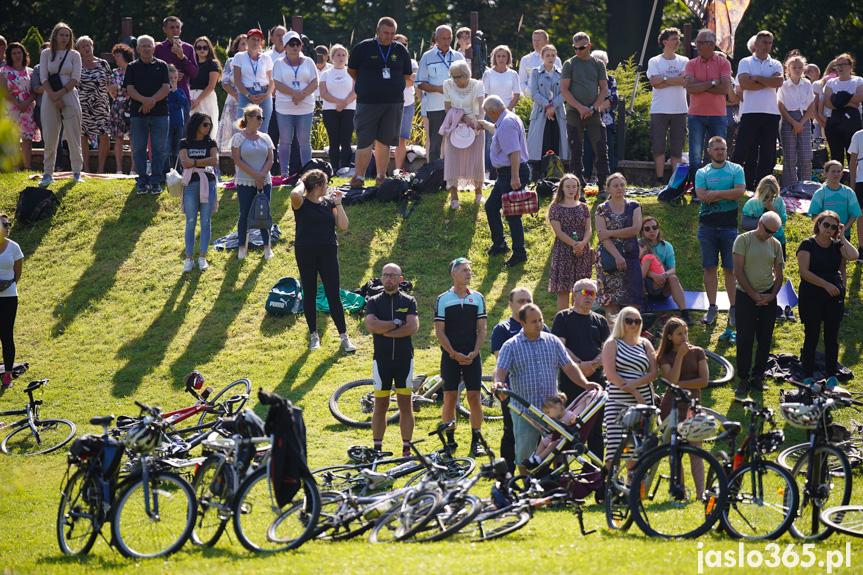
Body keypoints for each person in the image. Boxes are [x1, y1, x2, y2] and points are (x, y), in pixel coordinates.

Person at [492, 303, 599, 473]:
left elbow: (569, 366)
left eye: (540, 320)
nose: (539, 324)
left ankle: (555, 487)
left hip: (552, 411)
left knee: (558, 450)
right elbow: (500, 369)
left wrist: (585, 384)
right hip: (525, 412)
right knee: (524, 455)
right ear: (522, 323)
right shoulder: (510, 345)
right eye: (533, 321)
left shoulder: (553, 341)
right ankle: (526, 488)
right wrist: (498, 382)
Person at [290, 169, 356, 352]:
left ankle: (344, 337)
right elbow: (294, 193)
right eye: (326, 183)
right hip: (305, 252)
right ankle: (314, 336)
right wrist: (304, 182)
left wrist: (339, 203)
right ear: (318, 186)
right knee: (309, 293)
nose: (328, 187)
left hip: (328, 251)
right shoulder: (300, 202)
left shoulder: (329, 204)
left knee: (333, 294)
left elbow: (343, 226)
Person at [347, 17, 413, 187]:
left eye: (393, 34)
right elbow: (352, 70)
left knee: (384, 141)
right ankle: (359, 178)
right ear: (377, 30)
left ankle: (381, 177)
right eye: (386, 33)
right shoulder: (363, 47)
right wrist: (369, 85)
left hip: (393, 103)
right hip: (367, 102)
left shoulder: (401, 50)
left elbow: (406, 75)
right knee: (364, 140)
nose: (389, 36)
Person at [551, 278, 610, 465]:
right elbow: (559, 346)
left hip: (596, 383)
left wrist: (593, 364)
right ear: (574, 295)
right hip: (570, 381)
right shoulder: (563, 317)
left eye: (593, 293)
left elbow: (609, 349)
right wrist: (578, 364)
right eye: (586, 293)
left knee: (596, 431)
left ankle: (597, 477)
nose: (590, 297)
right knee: (565, 429)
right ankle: (561, 477)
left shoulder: (600, 320)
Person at [365, 263, 419, 457]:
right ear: (381, 278)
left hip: (404, 360)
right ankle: (377, 448)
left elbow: (412, 328)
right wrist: (396, 323)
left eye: (392, 276)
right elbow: (371, 325)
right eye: (385, 275)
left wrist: (384, 330)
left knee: (406, 405)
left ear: (400, 279)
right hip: (382, 360)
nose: (388, 279)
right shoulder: (373, 300)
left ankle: (406, 449)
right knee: (381, 405)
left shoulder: (409, 300)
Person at [434, 257, 487, 455]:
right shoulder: (443, 299)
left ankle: (476, 441)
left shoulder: (478, 298)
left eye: (469, 270)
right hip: (450, 356)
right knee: (450, 398)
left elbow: (482, 329)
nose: (469, 273)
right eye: (464, 270)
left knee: (474, 397)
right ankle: (450, 443)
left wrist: (474, 352)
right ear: (453, 274)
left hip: (473, 354)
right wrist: (454, 354)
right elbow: (440, 331)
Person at [797, 211, 858, 380]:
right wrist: (825, 285)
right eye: (826, 224)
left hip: (834, 295)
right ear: (818, 223)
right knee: (812, 335)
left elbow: (854, 256)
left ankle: (832, 373)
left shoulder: (837, 245)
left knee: (831, 336)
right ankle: (807, 373)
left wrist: (843, 237)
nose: (828, 229)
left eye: (833, 227)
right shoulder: (807, 244)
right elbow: (804, 272)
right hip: (812, 293)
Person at [491, 287, 547, 471]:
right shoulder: (502, 329)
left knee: (543, 435)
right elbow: (502, 362)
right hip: (513, 392)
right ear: (510, 305)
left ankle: (539, 474)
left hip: (541, 393)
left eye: (528, 300)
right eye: (520, 301)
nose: (525, 304)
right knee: (511, 434)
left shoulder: (542, 327)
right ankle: (507, 476)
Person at [655, 317, 709, 497]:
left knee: (696, 449)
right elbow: (671, 380)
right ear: (669, 337)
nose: (684, 336)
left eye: (685, 332)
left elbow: (704, 381)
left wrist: (680, 385)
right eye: (679, 334)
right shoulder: (665, 356)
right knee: (676, 450)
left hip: (693, 407)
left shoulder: (698, 352)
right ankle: (680, 491)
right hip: (671, 407)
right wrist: (679, 356)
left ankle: (701, 494)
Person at [732, 211, 784, 396]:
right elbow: (737, 270)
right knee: (745, 338)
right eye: (768, 230)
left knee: (765, 338)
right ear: (759, 223)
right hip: (746, 296)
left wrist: (771, 296)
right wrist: (753, 294)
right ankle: (744, 378)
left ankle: (758, 377)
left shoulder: (776, 244)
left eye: (773, 232)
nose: (769, 234)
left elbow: (779, 274)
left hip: (768, 296)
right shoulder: (743, 240)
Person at [695, 136, 745, 326]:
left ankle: (733, 309)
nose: (720, 152)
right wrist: (727, 194)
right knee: (710, 267)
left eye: (723, 149)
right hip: (706, 226)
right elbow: (701, 195)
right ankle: (712, 307)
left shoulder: (736, 169)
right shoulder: (702, 172)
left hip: (729, 227)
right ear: (709, 151)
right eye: (716, 149)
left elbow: (740, 192)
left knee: (730, 269)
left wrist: (715, 193)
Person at [601, 306, 658, 464]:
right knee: (614, 447)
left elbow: (654, 373)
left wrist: (636, 383)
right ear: (621, 322)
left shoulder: (645, 344)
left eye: (637, 321)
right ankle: (611, 486)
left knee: (636, 450)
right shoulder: (612, 344)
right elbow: (611, 374)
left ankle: (632, 487)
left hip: (643, 402)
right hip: (618, 401)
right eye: (629, 321)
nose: (633, 324)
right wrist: (635, 392)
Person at [730, 31, 783, 189]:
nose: (768, 46)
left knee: (768, 152)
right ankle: (735, 183)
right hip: (750, 112)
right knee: (742, 149)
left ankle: (761, 187)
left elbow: (779, 82)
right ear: (756, 44)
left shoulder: (776, 63)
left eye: (770, 43)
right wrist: (768, 80)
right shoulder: (745, 62)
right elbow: (745, 85)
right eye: (765, 42)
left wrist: (757, 77)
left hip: (771, 114)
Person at [561, 32, 609, 197]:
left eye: (581, 48)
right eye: (574, 48)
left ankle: (603, 185)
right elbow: (564, 90)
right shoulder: (569, 64)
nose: (577, 51)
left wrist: (593, 108)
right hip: (575, 112)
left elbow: (603, 88)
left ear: (588, 46)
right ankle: (577, 188)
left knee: (601, 148)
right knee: (576, 150)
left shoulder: (598, 64)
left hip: (593, 113)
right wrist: (580, 108)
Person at [483, 95, 530, 266]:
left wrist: (515, 177)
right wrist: (483, 124)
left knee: (512, 214)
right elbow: (496, 129)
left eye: (487, 114)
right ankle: (500, 244)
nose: (488, 116)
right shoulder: (508, 118)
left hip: (511, 173)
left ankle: (520, 252)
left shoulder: (507, 124)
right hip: (506, 174)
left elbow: (514, 152)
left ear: (492, 111)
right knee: (491, 207)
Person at [39, 22, 84, 187]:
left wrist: (60, 94)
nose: (65, 38)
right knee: (50, 136)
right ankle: (48, 173)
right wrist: (53, 96)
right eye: (62, 35)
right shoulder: (46, 54)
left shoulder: (74, 55)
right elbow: (43, 77)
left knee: (73, 135)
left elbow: (75, 78)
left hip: (69, 96)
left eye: (67, 35)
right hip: (49, 97)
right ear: (55, 36)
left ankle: (77, 172)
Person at [124, 35, 170, 194]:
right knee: (138, 148)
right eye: (142, 46)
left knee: (159, 149)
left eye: (149, 46)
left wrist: (150, 102)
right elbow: (130, 89)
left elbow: (166, 88)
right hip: (138, 114)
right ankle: (142, 180)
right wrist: (144, 101)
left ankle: (156, 180)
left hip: (160, 114)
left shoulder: (162, 66)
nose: (146, 49)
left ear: (154, 48)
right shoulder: (131, 67)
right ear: (137, 49)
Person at [684, 29, 732, 180]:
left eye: (700, 43)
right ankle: (696, 188)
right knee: (695, 154)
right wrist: (713, 83)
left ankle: (716, 183)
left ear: (712, 44)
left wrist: (700, 85)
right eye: (696, 42)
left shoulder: (724, 63)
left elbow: (724, 89)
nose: (696, 45)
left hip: (718, 115)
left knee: (717, 152)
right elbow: (690, 88)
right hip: (695, 115)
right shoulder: (691, 64)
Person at [595, 173, 643, 320]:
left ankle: (630, 334)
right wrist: (617, 256)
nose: (619, 188)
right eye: (615, 186)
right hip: (609, 257)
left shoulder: (634, 206)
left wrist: (610, 232)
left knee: (633, 297)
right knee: (612, 300)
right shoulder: (601, 209)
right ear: (608, 189)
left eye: (622, 185)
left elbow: (635, 230)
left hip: (631, 256)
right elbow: (602, 237)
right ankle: (613, 338)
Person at [231, 105, 275, 261]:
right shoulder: (238, 138)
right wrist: (256, 175)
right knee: (244, 214)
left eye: (261, 117)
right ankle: (242, 247)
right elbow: (237, 160)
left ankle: (267, 247)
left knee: (264, 213)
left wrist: (261, 177)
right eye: (258, 117)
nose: (260, 120)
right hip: (245, 182)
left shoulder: (266, 137)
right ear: (248, 118)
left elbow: (271, 159)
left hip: (265, 182)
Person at [416, 25, 465, 164]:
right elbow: (420, 83)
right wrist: (439, 89)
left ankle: (454, 175)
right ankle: (434, 175)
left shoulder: (458, 56)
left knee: (457, 141)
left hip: (456, 106)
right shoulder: (427, 56)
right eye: (443, 38)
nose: (446, 41)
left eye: (449, 38)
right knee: (435, 144)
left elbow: (467, 80)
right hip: (435, 107)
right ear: (436, 39)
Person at [808, 160, 862, 285]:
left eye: (839, 171)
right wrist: (825, 229)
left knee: (842, 266)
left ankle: (841, 293)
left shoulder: (848, 192)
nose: (836, 174)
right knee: (825, 266)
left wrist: (843, 230)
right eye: (833, 171)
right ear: (825, 173)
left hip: (842, 236)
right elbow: (815, 215)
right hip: (824, 236)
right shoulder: (820, 193)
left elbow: (854, 214)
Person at [273, 31, 318, 177]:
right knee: (285, 141)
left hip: (305, 106)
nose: (295, 46)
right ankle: (285, 174)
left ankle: (307, 173)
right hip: (284, 107)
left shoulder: (309, 62)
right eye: (291, 44)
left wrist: (301, 95)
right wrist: (295, 93)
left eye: (297, 43)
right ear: (285, 46)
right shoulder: (279, 63)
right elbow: (278, 84)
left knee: (304, 141)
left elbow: (314, 82)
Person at [441, 60, 485, 209]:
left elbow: (481, 107)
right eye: (453, 77)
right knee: (453, 160)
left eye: (458, 77)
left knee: (476, 160)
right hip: (455, 126)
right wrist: (464, 118)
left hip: (475, 127)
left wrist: (479, 122)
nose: (455, 80)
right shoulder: (447, 84)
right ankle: (454, 199)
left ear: (466, 75)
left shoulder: (477, 85)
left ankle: (479, 194)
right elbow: (448, 108)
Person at [648, 27, 689, 185]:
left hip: (680, 110)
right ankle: (659, 180)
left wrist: (663, 78)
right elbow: (654, 83)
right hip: (659, 110)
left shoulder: (684, 61)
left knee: (677, 148)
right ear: (665, 42)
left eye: (678, 39)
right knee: (658, 146)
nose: (678, 42)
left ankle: (675, 182)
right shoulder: (655, 61)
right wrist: (675, 79)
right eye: (674, 39)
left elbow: (686, 81)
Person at [178, 112, 218, 272]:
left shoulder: (211, 142)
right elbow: (183, 163)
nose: (208, 127)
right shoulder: (184, 142)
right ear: (196, 125)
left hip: (208, 183)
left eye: (209, 124)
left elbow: (213, 164)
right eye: (205, 124)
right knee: (190, 222)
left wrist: (193, 164)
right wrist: (202, 164)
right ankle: (189, 259)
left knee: (206, 222)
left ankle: (202, 257)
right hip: (190, 185)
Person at [547, 174, 592, 311]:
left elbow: (588, 229)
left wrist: (583, 244)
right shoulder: (555, 207)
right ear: (562, 188)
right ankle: (562, 316)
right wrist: (574, 244)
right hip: (563, 249)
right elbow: (558, 232)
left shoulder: (584, 207)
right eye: (568, 187)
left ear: (578, 188)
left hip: (582, 250)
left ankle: (577, 314)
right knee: (564, 287)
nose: (571, 189)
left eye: (574, 186)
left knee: (580, 286)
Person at [639, 216, 691, 324]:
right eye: (647, 229)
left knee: (673, 278)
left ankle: (685, 313)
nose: (652, 231)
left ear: (658, 229)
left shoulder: (667, 246)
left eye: (654, 227)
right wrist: (653, 275)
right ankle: (639, 312)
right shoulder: (638, 245)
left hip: (663, 288)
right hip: (645, 287)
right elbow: (636, 268)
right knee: (638, 278)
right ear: (642, 232)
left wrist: (663, 276)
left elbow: (672, 269)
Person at [527, 45, 569, 171]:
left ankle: (556, 172)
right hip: (541, 112)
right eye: (547, 55)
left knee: (557, 141)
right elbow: (534, 93)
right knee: (542, 143)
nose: (550, 58)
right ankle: (540, 173)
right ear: (542, 57)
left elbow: (565, 92)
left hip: (558, 112)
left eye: (553, 55)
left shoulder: (562, 73)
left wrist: (553, 106)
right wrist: (547, 106)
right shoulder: (535, 72)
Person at [75, 36, 112, 174]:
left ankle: (101, 169)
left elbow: (109, 85)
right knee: (82, 136)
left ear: (93, 46)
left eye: (88, 45)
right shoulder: (76, 64)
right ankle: (86, 168)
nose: (87, 48)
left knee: (104, 135)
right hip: (82, 106)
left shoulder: (103, 64)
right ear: (79, 50)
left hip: (101, 105)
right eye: (83, 46)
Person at [778, 54, 816, 187]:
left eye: (800, 67)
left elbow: (811, 104)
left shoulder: (806, 84)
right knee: (789, 157)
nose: (797, 70)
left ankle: (805, 186)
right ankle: (791, 187)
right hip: (788, 119)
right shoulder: (783, 85)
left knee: (806, 156)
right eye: (794, 67)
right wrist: (794, 123)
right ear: (788, 68)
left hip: (804, 118)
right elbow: (781, 106)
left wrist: (801, 122)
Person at [1, 42, 40, 170]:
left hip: (28, 109)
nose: (18, 56)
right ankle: (14, 167)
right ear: (9, 56)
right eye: (14, 53)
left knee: (27, 139)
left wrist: (26, 103)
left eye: (20, 53)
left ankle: (27, 166)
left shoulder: (31, 71)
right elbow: (4, 91)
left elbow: (35, 91)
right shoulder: (4, 71)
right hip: (10, 109)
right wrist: (17, 103)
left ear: (24, 55)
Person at [320, 44, 357, 175]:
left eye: (343, 55)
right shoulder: (326, 73)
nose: (341, 58)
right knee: (333, 140)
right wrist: (337, 102)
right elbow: (323, 92)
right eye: (338, 55)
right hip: (330, 110)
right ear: (332, 57)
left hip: (349, 110)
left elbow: (355, 91)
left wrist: (344, 103)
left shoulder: (352, 72)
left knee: (346, 140)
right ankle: (334, 168)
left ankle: (345, 168)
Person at [483, 45, 521, 174]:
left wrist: (508, 110)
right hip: (491, 113)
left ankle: (507, 169)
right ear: (494, 57)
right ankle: (488, 171)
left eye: (504, 56)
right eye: (498, 56)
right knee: (489, 141)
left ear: (508, 58)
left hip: (507, 113)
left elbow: (516, 94)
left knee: (508, 142)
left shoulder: (513, 74)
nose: (501, 58)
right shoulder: (488, 73)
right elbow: (485, 94)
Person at [583, 50, 620, 179]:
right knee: (586, 151)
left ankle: (608, 179)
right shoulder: (584, 78)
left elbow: (614, 99)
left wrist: (599, 107)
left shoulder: (610, 79)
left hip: (606, 121)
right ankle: (585, 179)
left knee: (606, 150)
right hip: (587, 120)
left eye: (602, 63)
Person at [233, 29, 274, 143]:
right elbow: (237, 80)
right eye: (253, 39)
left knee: (263, 128)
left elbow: (272, 80)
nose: (255, 42)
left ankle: (261, 156)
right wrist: (248, 95)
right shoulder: (239, 57)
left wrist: (266, 95)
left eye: (258, 40)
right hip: (246, 94)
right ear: (247, 40)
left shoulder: (266, 58)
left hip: (264, 94)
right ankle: (244, 156)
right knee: (244, 126)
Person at [824, 53, 863, 165]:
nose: (840, 67)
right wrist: (850, 102)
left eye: (843, 64)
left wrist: (838, 98)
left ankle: (854, 181)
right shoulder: (831, 82)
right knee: (836, 157)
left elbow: (860, 97)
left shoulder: (858, 80)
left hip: (852, 123)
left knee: (853, 155)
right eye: (838, 65)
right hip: (834, 123)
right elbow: (827, 102)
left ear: (850, 66)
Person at [0, 213, 23, 390]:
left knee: (6, 335)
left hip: (8, 297)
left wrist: (6, 286)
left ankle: (8, 374)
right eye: (5, 224)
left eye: (9, 224)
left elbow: (17, 274)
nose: (8, 227)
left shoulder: (14, 247)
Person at [743, 175, 788, 264]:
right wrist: (763, 223)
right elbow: (744, 223)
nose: (770, 200)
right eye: (766, 196)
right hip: (757, 241)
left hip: (777, 239)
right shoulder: (752, 204)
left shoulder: (779, 202)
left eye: (773, 196)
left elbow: (783, 222)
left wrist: (773, 209)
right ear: (760, 192)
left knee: (777, 265)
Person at [107, 43, 136, 175]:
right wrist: (122, 88)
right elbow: (112, 90)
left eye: (118, 56)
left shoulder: (135, 70)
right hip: (117, 107)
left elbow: (134, 88)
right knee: (118, 139)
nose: (116, 59)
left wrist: (120, 88)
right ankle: (119, 169)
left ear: (125, 55)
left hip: (132, 107)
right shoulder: (114, 73)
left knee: (133, 139)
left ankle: (133, 169)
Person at [153, 16, 198, 101]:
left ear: (181, 29)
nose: (175, 30)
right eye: (172, 27)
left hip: (183, 95)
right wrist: (169, 74)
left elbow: (194, 73)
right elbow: (152, 71)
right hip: (163, 96)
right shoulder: (158, 48)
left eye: (177, 27)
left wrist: (183, 57)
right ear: (164, 29)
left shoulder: (188, 48)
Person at [217, 34, 247, 155]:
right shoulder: (231, 61)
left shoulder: (256, 61)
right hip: (234, 101)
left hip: (251, 100)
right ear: (237, 47)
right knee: (235, 129)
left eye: (247, 43)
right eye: (243, 44)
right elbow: (225, 82)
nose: (245, 47)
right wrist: (236, 95)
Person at [393, 34, 418, 174]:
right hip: (391, 104)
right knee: (384, 139)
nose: (403, 46)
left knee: (402, 140)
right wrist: (405, 80)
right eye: (400, 44)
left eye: (405, 44)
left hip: (408, 105)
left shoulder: (412, 62)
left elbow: (414, 78)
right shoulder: (389, 60)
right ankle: (381, 172)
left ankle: (397, 171)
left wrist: (398, 80)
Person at [189, 36, 221, 144]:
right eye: (199, 47)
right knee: (192, 126)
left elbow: (211, 86)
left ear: (209, 49)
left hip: (206, 97)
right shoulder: (191, 64)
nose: (202, 50)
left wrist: (197, 100)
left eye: (205, 47)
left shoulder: (213, 64)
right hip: (191, 97)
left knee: (207, 125)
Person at [165, 65, 190, 184]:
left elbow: (185, 103)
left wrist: (176, 94)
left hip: (179, 124)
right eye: (170, 78)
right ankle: (164, 171)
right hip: (168, 124)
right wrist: (176, 105)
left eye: (175, 78)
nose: (173, 80)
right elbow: (167, 107)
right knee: (167, 148)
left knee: (177, 149)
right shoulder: (164, 92)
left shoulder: (179, 91)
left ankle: (177, 171)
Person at [518, 30, 561, 98]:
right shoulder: (525, 60)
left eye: (538, 40)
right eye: (534, 40)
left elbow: (559, 80)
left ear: (546, 42)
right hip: (531, 100)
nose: (535, 43)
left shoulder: (556, 60)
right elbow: (521, 82)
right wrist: (534, 95)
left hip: (552, 100)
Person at [850, 127, 863, 258]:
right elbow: (853, 161)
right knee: (861, 215)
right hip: (861, 180)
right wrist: (852, 186)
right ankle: (862, 247)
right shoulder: (858, 135)